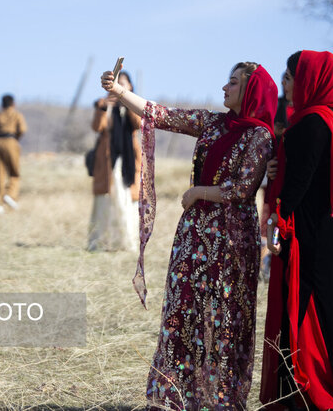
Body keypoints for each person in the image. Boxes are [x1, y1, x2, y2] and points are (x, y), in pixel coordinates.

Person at [100, 61, 276, 409]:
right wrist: (120, 93)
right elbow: (162, 114)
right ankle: (177, 397)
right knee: (183, 309)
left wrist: (198, 193)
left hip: (232, 243)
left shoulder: (261, 136)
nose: (224, 89)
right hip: (194, 237)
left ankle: (220, 399)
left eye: (233, 83)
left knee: (225, 317)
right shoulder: (214, 123)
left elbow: (242, 190)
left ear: (252, 91)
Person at [262, 51, 333, 410]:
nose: (286, 85)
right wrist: (278, 168)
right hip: (328, 231)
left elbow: (298, 185)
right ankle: (329, 384)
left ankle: (302, 391)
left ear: (309, 80)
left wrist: (277, 221)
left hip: (305, 235)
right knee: (327, 308)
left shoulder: (308, 125)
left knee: (301, 308)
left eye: (289, 77)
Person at [88, 71, 141, 252]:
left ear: (131, 87)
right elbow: (97, 127)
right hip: (107, 160)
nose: (120, 87)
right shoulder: (104, 104)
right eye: (118, 84)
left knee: (127, 202)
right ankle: (98, 243)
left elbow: (139, 124)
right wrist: (103, 107)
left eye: (124, 83)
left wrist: (126, 99)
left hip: (127, 162)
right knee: (104, 201)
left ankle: (127, 243)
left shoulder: (134, 104)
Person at [260, 79, 295, 282]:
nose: (284, 84)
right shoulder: (278, 105)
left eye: (289, 79)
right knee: (269, 210)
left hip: (291, 170)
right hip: (275, 164)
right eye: (283, 80)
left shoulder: (306, 114)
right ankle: (267, 256)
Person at [0, 94, 27, 213]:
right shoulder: (17, 115)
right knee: (14, 172)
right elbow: (23, 129)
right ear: (13, 104)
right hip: (12, 141)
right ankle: (10, 194)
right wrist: (15, 138)